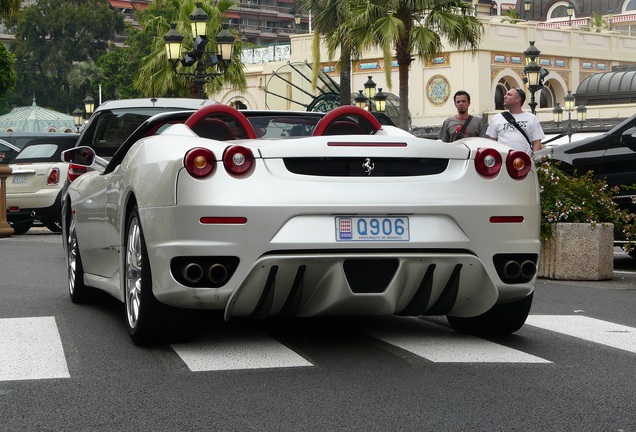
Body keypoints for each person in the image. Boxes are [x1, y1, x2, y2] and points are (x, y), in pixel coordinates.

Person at [486, 87, 544, 154]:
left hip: (524, 161)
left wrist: (534, 159)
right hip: (503, 161)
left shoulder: (531, 118)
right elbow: (492, 141)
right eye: (506, 94)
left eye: (509, 95)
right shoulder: (497, 118)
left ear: (517, 99)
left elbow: (536, 142)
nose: (505, 96)